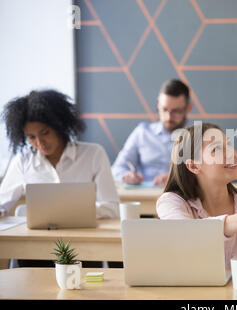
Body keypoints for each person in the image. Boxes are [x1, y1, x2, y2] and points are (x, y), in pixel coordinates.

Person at [0, 89, 120, 267]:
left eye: (45, 133)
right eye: (31, 137)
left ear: (60, 126)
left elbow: (112, 208)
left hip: (83, 248)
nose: (40, 143)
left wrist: (72, 214)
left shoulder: (93, 154)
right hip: (35, 251)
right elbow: (2, 203)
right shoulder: (23, 162)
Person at [156, 122, 237, 270]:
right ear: (193, 166)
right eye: (217, 149)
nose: (232, 153)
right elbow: (187, 234)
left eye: (228, 146)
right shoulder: (171, 203)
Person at [112, 79, 193, 186]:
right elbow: (117, 168)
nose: (168, 117)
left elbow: (208, 176)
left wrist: (176, 178)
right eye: (164, 110)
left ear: (188, 108)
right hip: (146, 197)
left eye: (176, 111)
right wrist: (126, 176)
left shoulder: (199, 137)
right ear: (158, 105)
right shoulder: (142, 133)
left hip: (183, 198)